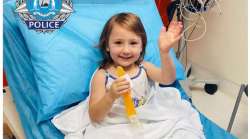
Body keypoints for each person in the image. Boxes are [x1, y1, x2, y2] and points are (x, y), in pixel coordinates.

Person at [89, 12, 182, 122]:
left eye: (133, 43)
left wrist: (165, 52)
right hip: (116, 124)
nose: (126, 50)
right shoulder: (103, 76)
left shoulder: (144, 67)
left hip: (145, 119)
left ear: (142, 46)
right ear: (107, 46)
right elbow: (95, 117)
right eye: (118, 42)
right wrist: (110, 96)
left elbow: (168, 79)